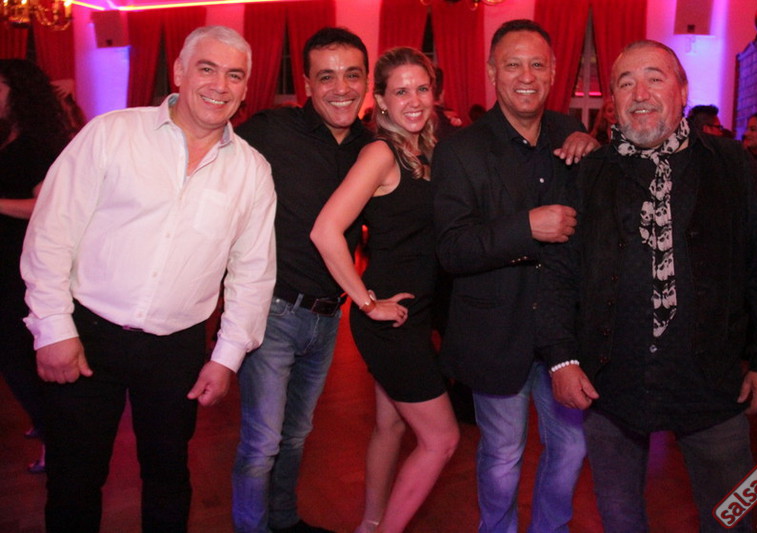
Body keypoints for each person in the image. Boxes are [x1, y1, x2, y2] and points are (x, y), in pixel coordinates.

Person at [20, 25, 277, 533]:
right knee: (73, 480)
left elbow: (253, 274)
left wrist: (226, 357)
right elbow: (51, 231)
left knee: (168, 478)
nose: (219, 85)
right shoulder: (111, 134)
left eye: (234, 75)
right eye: (207, 68)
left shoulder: (252, 171)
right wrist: (52, 327)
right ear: (179, 72)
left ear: (247, 87)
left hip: (176, 350)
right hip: (87, 336)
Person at [542, 40, 757, 532]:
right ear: (612, 101)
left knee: (732, 513)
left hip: (714, 385)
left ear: (682, 90)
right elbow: (557, 273)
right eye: (626, 83)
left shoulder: (731, 164)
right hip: (609, 387)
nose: (640, 93)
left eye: (654, 78)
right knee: (619, 515)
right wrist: (561, 358)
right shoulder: (588, 174)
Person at [432, 19, 599, 533]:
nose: (526, 76)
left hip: (563, 337)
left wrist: (597, 157)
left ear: (553, 72)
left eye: (537, 64)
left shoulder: (574, 140)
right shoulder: (459, 149)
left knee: (571, 447)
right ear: (491, 72)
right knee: (503, 456)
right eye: (513, 64)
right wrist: (527, 227)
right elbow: (452, 249)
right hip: (495, 334)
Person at [312, 47, 460, 533]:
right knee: (441, 441)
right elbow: (325, 231)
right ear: (380, 100)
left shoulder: (427, 151)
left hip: (411, 315)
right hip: (390, 321)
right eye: (400, 91)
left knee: (391, 425)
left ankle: (371, 523)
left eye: (422, 88)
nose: (413, 100)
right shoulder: (381, 153)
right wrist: (367, 303)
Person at [231, 27, 372, 533]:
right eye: (326, 77)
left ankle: (285, 522)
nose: (341, 88)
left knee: (295, 435)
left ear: (366, 82)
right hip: (272, 312)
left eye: (352, 75)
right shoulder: (272, 130)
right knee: (261, 442)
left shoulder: (372, 148)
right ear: (308, 85)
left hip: (328, 316)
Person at [0, 59, 72, 474]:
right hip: (7, 257)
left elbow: (44, 208)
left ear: (19, 92)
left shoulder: (39, 144)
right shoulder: (8, 135)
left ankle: (54, 437)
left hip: (22, 262)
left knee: (17, 355)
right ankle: (45, 423)